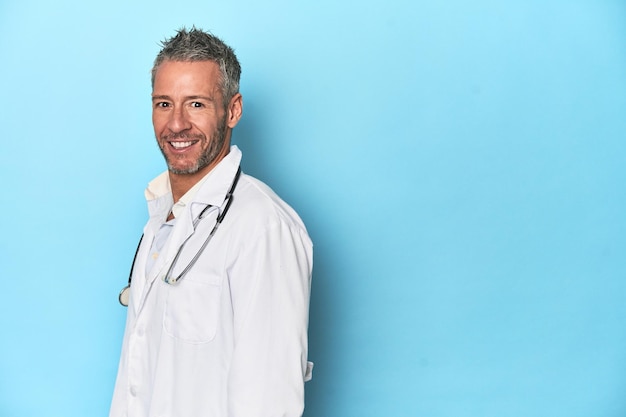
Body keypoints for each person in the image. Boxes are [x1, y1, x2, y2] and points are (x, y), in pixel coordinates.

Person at [110, 27, 313, 417]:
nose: (177, 124)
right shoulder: (160, 219)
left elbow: (268, 400)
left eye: (197, 104)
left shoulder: (262, 227)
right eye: (164, 104)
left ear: (233, 110)